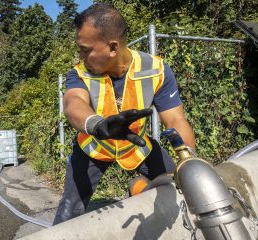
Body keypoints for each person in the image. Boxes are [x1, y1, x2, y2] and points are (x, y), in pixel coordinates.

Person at [53, 3, 196, 225]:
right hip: (92, 147)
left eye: (85, 49)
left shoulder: (156, 69)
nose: (80, 57)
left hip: (136, 146)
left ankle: (139, 190)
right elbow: (73, 103)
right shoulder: (79, 73)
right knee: (67, 215)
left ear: (112, 47)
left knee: (183, 186)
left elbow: (176, 119)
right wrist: (97, 125)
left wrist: (190, 161)